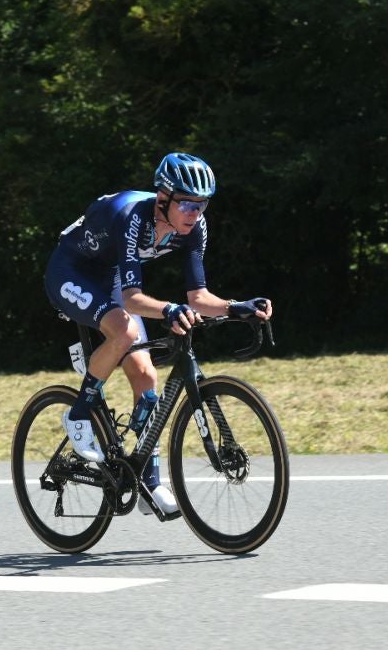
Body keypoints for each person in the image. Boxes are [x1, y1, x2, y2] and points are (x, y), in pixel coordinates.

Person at [44, 152, 273, 516]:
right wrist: (168, 310)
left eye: (201, 205)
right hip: (72, 271)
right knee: (121, 329)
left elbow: (198, 298)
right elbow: (133, 299)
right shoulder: (133, 216)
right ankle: (78, 413)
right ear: (163, 198)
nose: (194, 213)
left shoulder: (195, 227)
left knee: (146, 374)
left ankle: (148, 483)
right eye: (186, 204)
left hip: (111, 277)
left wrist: (236, 306)